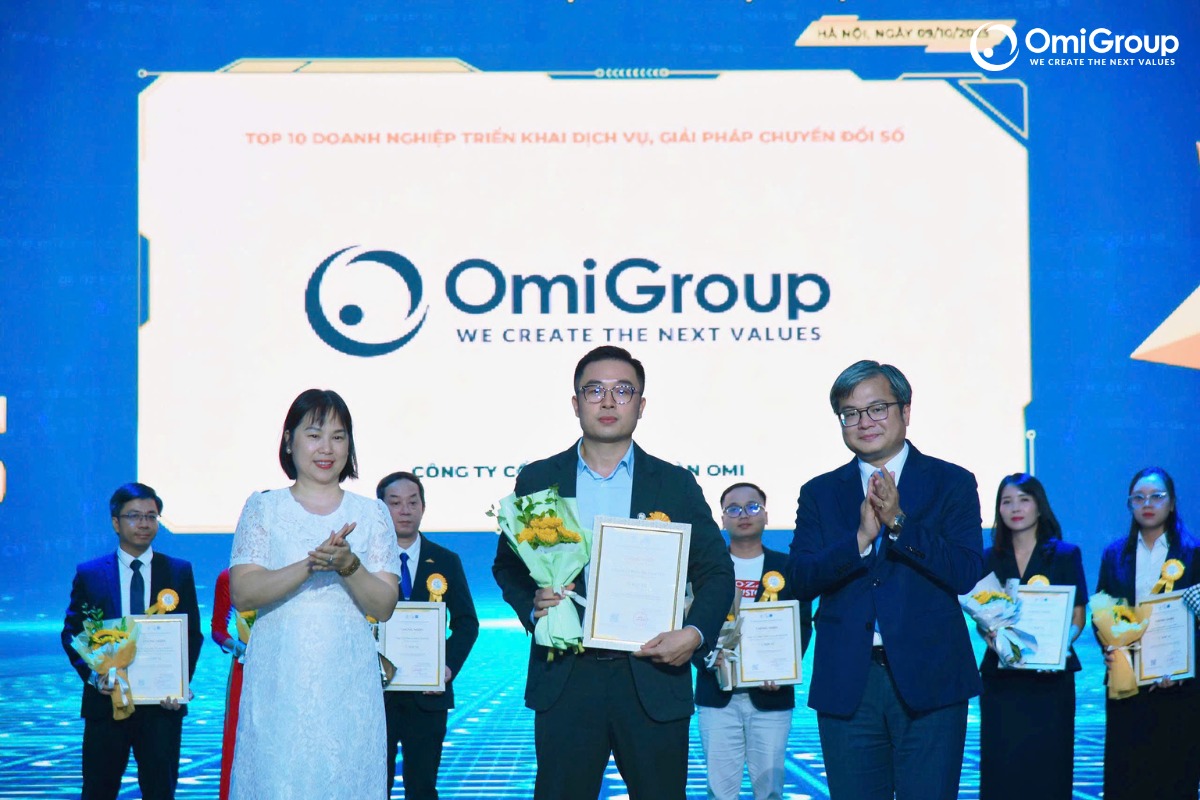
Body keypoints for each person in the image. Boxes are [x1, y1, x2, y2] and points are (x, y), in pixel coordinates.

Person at [491, 345, 734, 800]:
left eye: (623, 391)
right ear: (575, 403)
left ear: (641, 405)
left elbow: (717, 572)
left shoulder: (674, 484)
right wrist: (532, 605)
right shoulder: (538, 479)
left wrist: (695, 634)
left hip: (652, 673)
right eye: (594, 390)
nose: (608, 401)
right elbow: (507, 565)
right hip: (566, 676)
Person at [787, 359, 983, 800]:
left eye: (877, 408)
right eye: (850, 413)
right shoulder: (820, 492)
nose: (864, 422)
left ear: (905, 411)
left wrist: (898, 522)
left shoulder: (951, 482)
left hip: (931, 680)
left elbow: (965, 571)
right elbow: (799, 579)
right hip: (848, 683)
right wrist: (859, 539)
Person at [228, 389, 400, 800]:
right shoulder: (263, 508)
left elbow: (384, 605)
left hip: (348, 683)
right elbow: (243, 592)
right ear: (289, 441)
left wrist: (348, 565)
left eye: (338, 437)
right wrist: (310, 564)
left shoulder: (372, 513)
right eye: (314, 435)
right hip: (279, 679)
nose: (327, 448)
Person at [61, 482, 204, 800]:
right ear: (116, 522)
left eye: (151, 516)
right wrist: (94, 676)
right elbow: (72, 632)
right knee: (98, 791)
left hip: (161, 709)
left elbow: (191, 634)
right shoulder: (91, 573)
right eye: (135, 516)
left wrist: (178, 684)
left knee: (160, 791)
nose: (144, 523)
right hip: (106, 703)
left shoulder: (179, 571)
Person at [694, 482, 812, 800]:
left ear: (766, 515)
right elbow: (689, 622)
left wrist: (783, 668)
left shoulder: (788, 567)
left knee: (770, 791)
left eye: (752, 506)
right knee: (720, 792)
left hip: (771, 695)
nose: (743, 514)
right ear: (722, 520)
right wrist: (707, 659)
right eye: (733, 509)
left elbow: (802, 624)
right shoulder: (705, 569)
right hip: (717, 696)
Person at [976, 474, 1086, 800]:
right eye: (1007, 501)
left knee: (1049, 766)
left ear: (1039, 506)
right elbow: (982, 616)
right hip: (1002, 680)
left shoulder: (1065, 555)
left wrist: (1055, 646)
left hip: (1050, 680)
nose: (1015, 508)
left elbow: (1077, 617)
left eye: (1024, 500)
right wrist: (991, 635)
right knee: (1002, 767)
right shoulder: (988, 558)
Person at [1096, 466, 1200, 800]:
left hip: (1180, 687)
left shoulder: (1195, 553)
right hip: (1127, 683)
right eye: (1138, 498)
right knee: (1127, 778)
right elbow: (1103, 610)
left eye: (1157, 496)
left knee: (1174, 778)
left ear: (1172, 503)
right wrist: (1110, 648)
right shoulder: (1114, 555)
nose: (1147, 504)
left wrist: (1183, 667)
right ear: (1130, 504)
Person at [376, 471, 479, 800]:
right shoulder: (364, 560)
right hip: (375, 696)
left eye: (412, 502)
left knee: (422, 789)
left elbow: (467, 622)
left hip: (428, 695)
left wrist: (445, 667)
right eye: (395, 503)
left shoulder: (446, 560)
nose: (405, 510)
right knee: (373, 787)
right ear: (381, 509)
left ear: (423, 506)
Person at [210, 568, 246, 800]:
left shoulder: (294, 570)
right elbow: (218, 630)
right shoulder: (230, 577)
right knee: (238, 739)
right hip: (246, 667)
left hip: (289, 664)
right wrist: (237, 647)